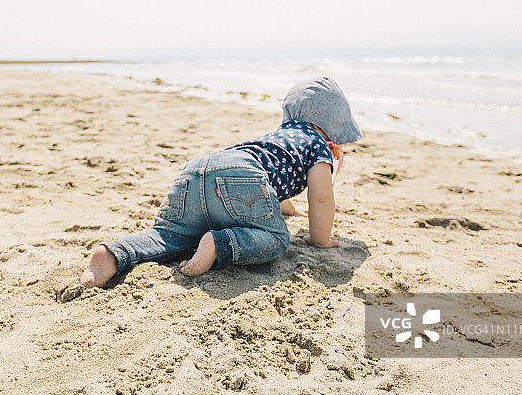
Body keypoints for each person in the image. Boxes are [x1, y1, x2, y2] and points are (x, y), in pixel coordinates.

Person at [80, 76, 363, 288]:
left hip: (197, 171)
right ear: (333, 124)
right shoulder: (318, 146)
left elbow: (272, 180)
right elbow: (321, 198)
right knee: (277, 239)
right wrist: (319, 239)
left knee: (169, 235)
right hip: (241, 176)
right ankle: (219, 243)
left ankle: (113, 254)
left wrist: (287, 209)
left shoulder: (280, 135)